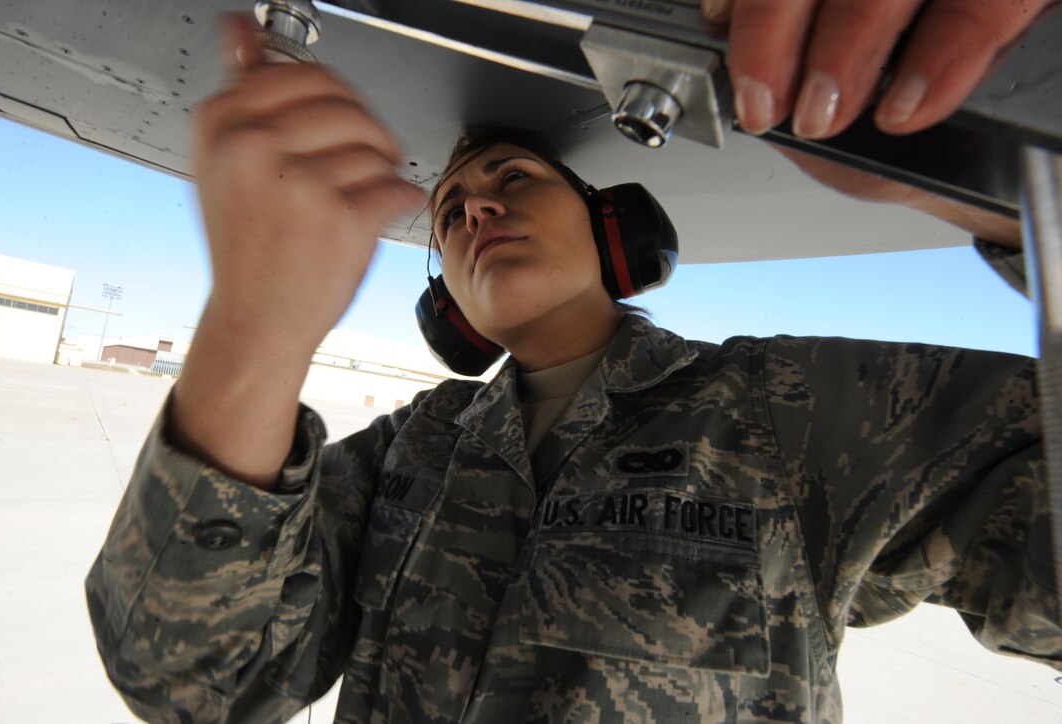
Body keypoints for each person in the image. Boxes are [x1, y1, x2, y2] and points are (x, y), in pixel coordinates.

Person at [86, 2, 1060, 722]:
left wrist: (978, 183)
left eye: (511, 179)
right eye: (448, 214)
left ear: (613, 236)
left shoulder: (778, 408)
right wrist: (256, 327)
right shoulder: (403, 453)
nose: (475, 209)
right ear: (447, 308)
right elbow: (194, 680)